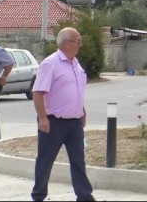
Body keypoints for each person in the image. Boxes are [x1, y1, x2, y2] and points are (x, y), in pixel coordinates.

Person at [31, 27, 96, 202]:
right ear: (67, 44)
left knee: (78, 160)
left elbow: (77, 89)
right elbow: (38, 93)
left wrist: (82, 111)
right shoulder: (50, 63)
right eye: (78, 41)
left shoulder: (75, 63)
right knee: (46, 160)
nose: (80, 45)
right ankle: (38, 196)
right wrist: (43, 118)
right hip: (53, 122)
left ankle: (84, 195)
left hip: (74, 123)